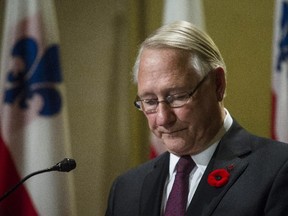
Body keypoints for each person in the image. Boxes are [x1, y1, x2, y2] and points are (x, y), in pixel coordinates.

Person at [105, 21, 288, 216]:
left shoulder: (278, 170)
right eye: (150, 101)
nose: (162, 118)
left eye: (176, 96)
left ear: (218, 85)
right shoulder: (126, 189)